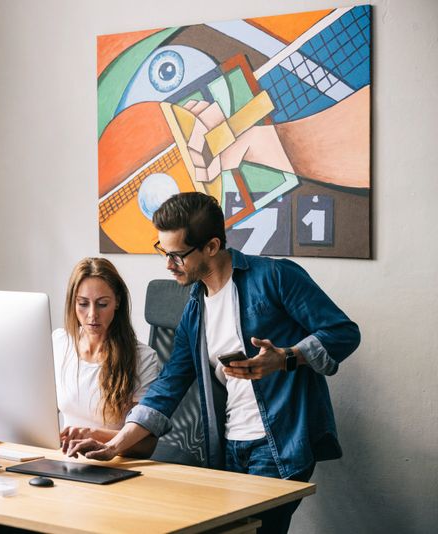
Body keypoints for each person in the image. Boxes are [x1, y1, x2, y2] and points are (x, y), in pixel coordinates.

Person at [65, 193, 360, 534]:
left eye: (176, 255)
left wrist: (285, 358)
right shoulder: (195, 309)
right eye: (164, 251)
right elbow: (170, 384)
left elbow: (344, 333)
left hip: (280, 442)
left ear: (211, 246)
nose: (168, 264)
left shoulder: (275, 277)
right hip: (229, 448)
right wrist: (114, 445)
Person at [55, 257, 159, 457]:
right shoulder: (59, 344)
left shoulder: (143, 358)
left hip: (114, 466)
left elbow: (145, 445)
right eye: (83, 304)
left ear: (117, 301)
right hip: (65, 461)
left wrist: (92, 434)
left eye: (102, 304)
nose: (92, 315)